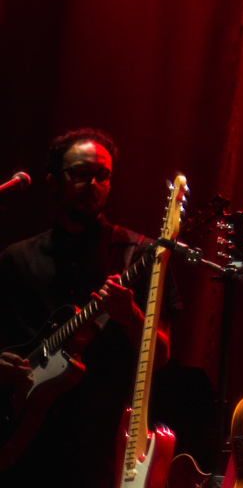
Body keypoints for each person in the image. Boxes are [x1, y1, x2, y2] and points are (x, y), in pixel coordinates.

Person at [0, 128, 174, 488]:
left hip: (94, 452)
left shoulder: (138, 255)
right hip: (15, 443)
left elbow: (160, 357)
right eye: (80, 174)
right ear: (53, 182)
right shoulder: (15, 259)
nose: (93, 184)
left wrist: (131, 317)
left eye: (102, 175)